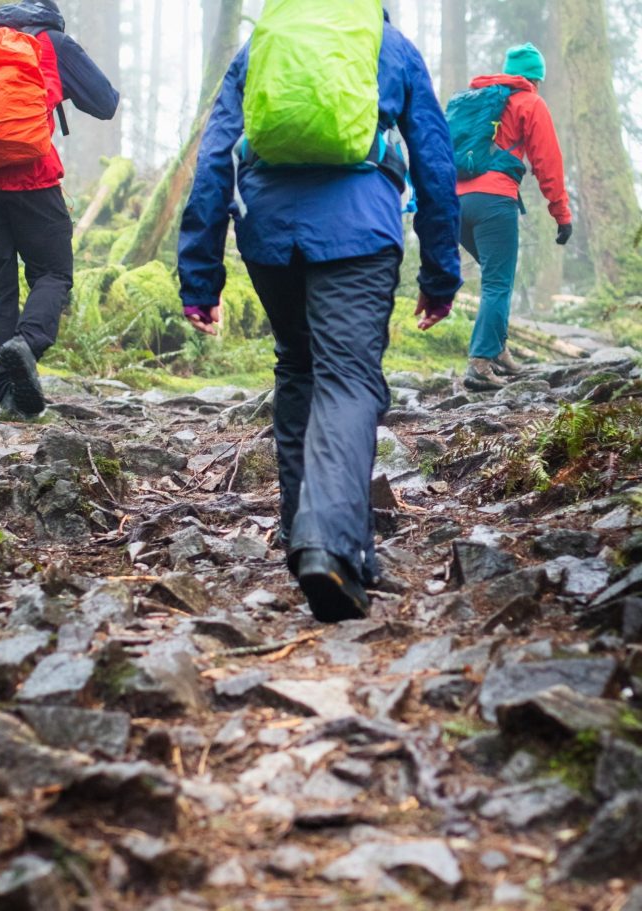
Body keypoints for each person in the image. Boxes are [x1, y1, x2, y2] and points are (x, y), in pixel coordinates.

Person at [178, 7, 462, 623]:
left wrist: (200, 273)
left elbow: (216, 157)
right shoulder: (390, 44)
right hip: (361, 229)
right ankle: (328, 544)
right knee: (348, 378)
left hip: (270, 232)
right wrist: (441, 270)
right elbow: (435, 160)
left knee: (300, 371)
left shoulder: (261, 47)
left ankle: (318, 541)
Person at [0, 0, 119, 417]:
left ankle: (6, 391)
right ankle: (27, 345)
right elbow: (105, 103)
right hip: (33, 180)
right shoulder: (53, 42)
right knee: (53, 273)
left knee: (0, 284)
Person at [457, 43, 572, 391]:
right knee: (498, 281)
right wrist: (561, 212)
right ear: (536, 77)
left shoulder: (475, 100)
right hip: (493, 201)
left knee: (499, 277)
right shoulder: (529, 102)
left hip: (454, 202)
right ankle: (479, 362)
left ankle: (498, 351)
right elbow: (547, 163)